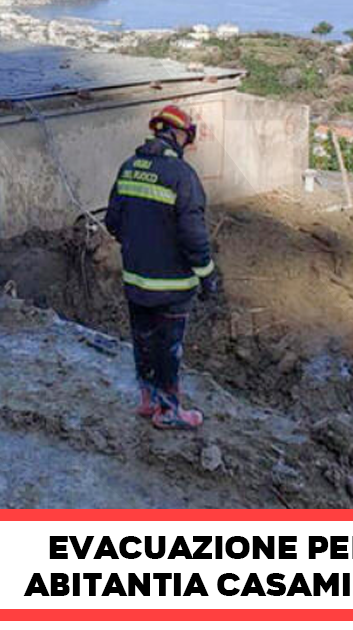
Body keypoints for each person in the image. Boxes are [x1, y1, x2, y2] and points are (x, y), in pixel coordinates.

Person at [104, 105, 217, 431]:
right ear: (180, 135)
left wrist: (139, 244)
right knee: (168, 348)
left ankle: (148, 400)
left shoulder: (129, 167)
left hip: (135, 280)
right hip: (172, 286)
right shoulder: (182, 175)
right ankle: (168, 411)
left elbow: (113, 221)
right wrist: (207, 276)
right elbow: (193, 235)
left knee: (143, 340)